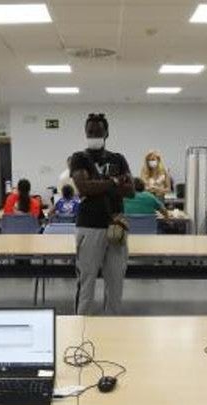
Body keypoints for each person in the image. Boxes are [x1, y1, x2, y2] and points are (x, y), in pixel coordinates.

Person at [69, 113, 133, 315]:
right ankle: (81, 323)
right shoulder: (79, 158)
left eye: (97, 131)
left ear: (107, 133)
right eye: (90, 132)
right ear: (85, 133)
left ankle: (111, 325)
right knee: (86, 281)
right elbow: (83, 187)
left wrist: (98, 185)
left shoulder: (118, 159)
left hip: (116, 227)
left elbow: (130, 190)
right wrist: (114, 182)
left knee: (115, 282)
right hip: (89, 228)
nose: (93, 135)